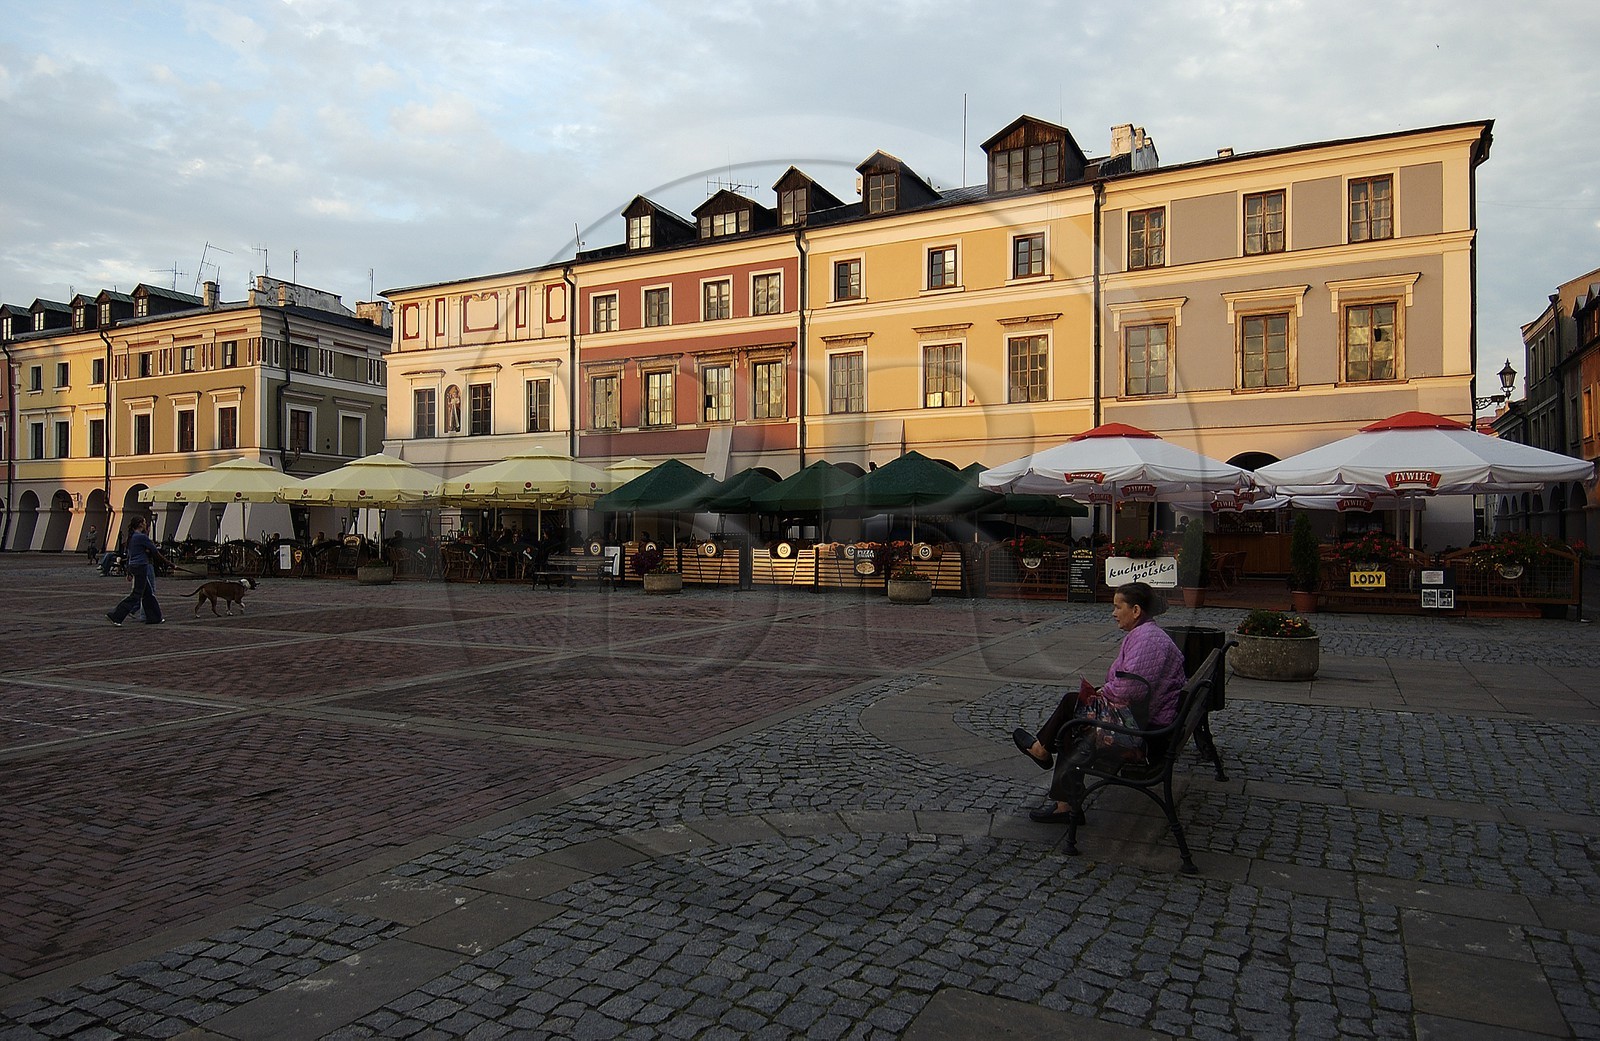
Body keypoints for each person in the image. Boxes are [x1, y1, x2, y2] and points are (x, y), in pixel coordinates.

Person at [1012, 581, 1187, 823]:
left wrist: (1102, 693)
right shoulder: (1146, 634)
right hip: (1147, 721)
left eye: (1118, 607)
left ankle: (1044, 756)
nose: (1113, 613)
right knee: (1074, 716)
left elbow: (1129, 689)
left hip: (1142, 731)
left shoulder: (1147, 640)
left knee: (1072, 710)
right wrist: (1102, 692)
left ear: (1136, 611)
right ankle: (1060, 794)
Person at [106, 516, 168, 626]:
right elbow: (155, 551)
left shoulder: (132, 537)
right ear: (140, 524)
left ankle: (155, 617)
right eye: (144, 522)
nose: (145, 524)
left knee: (148, 593)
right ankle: (116, 615)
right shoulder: (141, 537)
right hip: (141, 566)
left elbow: (130, 555)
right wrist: (170, 564)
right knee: (136, 594)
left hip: (134, 566)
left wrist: (129, 571)